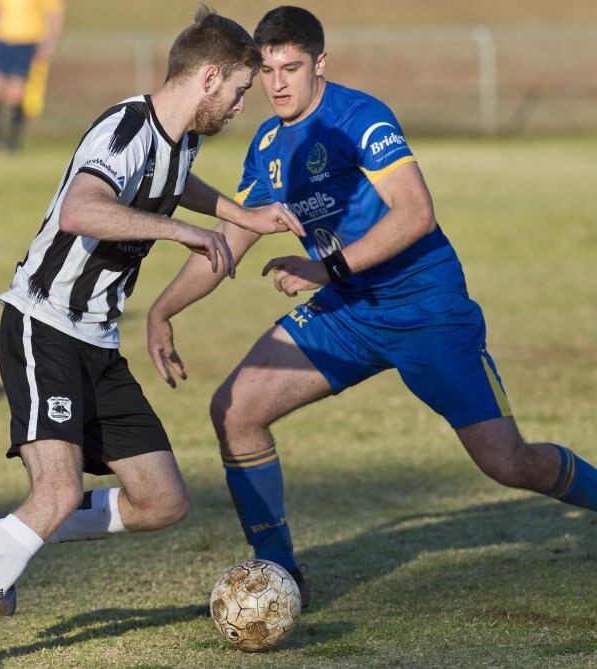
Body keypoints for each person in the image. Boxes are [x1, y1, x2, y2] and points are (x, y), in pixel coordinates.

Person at [147, 5, 597, 611]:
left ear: (320, 64)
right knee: (235, 410)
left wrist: (324, 268)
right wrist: (163, 309)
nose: (277, 83)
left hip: (427, 310)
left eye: (292, 67)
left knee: (509, 464)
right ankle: (281, 578)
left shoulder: (361, 116)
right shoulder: (268, 145)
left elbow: (416, 213)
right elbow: (232, 239)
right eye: (268, 69)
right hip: (348, 313)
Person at [0, 7, 304, 669]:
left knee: (162, 501)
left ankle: (1, 536)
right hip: (44, 327)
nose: (244, 103)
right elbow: (81, 208)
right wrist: (179, 233)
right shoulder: (123, 127)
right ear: (208, 78)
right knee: (57, 492)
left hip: (97, 341)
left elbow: (173, 183)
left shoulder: (181, 140)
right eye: (240, 89)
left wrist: (242, 216)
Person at [0, 0, 64, 152]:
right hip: (2, 41)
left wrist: (49, 44)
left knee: (16, 93)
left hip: (29, 42)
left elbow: (54, 14)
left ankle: (12, 140)